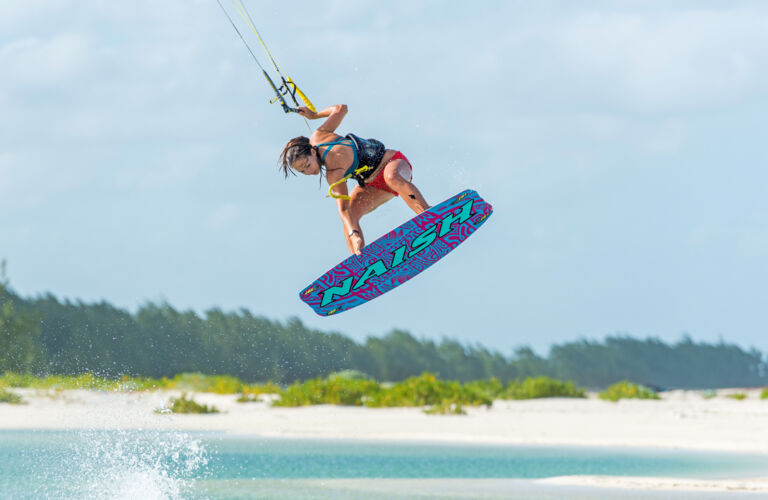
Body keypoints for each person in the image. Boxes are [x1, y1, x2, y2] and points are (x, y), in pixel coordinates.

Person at [279, 104, 430, 256]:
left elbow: (341, 108)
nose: (309, 172)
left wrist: (315, 115)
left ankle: (429, 216)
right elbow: (343, 209)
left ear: (312, 151)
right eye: (302, 171)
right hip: (373, 185)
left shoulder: (319, 136)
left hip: (392, 163)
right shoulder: (333, 175)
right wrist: (354, 234)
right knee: (351, 212)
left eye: (307, 165)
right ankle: (358, 260)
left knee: (391, 177)